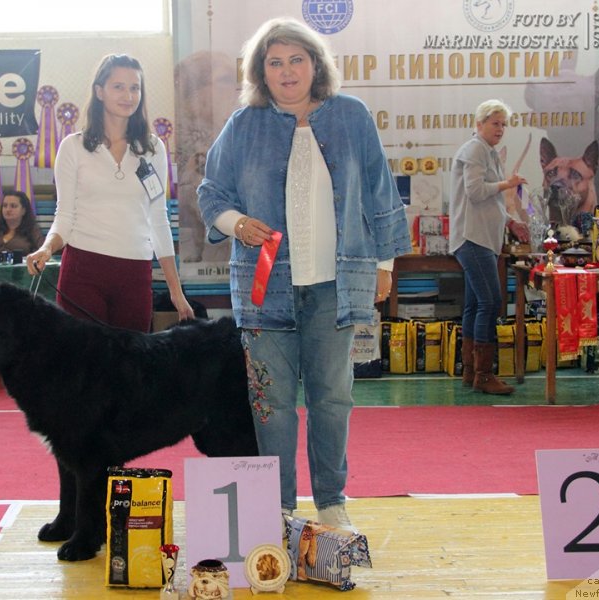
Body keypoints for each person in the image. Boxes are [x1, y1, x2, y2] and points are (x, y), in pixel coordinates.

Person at [197, 18, 411, 530]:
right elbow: (211, 193)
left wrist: (384, 264)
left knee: (333, 396)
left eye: (297, 60)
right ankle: (277, 508)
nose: (287, 71)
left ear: (316, 65)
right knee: (270, 401)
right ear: (261, 72)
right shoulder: (242, 124)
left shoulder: (352, 116)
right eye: (275, 62)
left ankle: (332, 501)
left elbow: (381, 191)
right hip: (264, 288)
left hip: (335, 286)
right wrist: (237, 222)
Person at [27, 54, 193, 331]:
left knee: (131, 369)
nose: (128, 95)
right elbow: (64, 215)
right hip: (82, 271)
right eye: (119, 86)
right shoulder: (73, 147)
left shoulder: (153, 148)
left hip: (135, 272)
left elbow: (159, 220)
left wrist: (176, 291)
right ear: (99, 91)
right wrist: (47, 248)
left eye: (135, 87)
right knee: (83, 368)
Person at [449, 99, 530, 395]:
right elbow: (475, 191)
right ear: (479, 124)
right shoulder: (474, 150)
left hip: (482, 237)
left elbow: (490, 199)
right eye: (495, 123)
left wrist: (509, 221)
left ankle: (471, 373)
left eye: (504, 124)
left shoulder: (488, 152)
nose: (500, 129)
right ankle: (483, 374)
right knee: (490, 302)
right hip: (474, 238)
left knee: (474, 305)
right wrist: (507, 185)